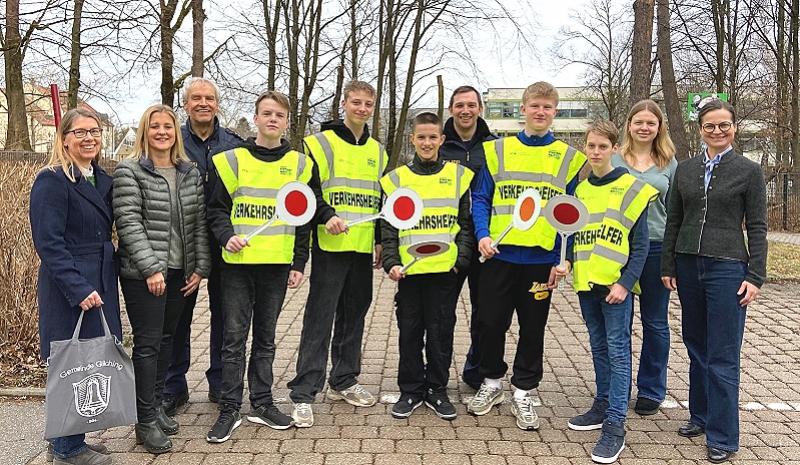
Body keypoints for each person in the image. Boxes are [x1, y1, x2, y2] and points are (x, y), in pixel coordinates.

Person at [468, 82, 586, 430]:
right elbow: (481, 200)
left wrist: (562, 258)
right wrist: (483, 235)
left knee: (533, 329)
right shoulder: (498, 151)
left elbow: (571, 212)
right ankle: (491, 383)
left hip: (539, 262)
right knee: (490, 323)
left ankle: (523, 390)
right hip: (500, 257)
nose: (540, 112)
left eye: (547, 107)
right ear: (523, 108)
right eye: (534, 105)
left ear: (555, 112)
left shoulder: (568, 158)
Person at [205, 91, 319, 442]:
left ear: (287, 122)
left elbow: (305, 218)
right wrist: (226, 237)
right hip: (238, 264)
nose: (272, 119)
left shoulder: (301, 165)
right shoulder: (230, 160)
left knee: (266, 339)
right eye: (266, 113)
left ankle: (263, 402)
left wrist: (300, 261)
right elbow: (215, 210)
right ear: (255, 119)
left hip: (277, 266)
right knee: (234, 338)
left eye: (279, 115)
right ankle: (229, 407)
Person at [661, 98, 767, 464]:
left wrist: (755, 275)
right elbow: (674, 219)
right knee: (696, 346)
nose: (717, 131)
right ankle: (700, 416)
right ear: (701, 129)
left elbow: (757, 226)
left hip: (728, 269)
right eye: (710, 126)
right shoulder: (685, 170)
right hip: (688, 266)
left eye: (724, 125)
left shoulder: (749, 171)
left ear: (734, 128)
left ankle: (723, 436)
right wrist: (668, 265)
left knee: (722, 355)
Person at [287, 80, 386, 428]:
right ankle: (303, 391)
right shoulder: (318, 143)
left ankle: (344, 380)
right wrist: (326, 216)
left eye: (367, 103)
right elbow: (309, 191)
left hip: (361, 246)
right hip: (330, 245)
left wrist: (378, 239)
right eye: (355, 102)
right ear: (343, 104)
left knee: (355, 315)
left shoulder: (378, 151)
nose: (361, 108)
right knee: (320, 317)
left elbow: (380, 198)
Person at [112, 105, 211, 454]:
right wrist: (151, 268)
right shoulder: (130, 171)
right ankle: (144, 421)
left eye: (167, 126)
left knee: (168, 340)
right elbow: (128, 223)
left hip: (180, 274)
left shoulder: (189, 172)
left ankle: (154, 408)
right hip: (144, 275)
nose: (162, 132)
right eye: (154, 126)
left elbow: (198, 223)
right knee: (149, 344)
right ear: (145, 131)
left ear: (176, 131)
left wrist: (200, 267)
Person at [30, 108, 119, 465]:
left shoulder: (100, 178)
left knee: (88, 363)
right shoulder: (51, 180)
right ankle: (67, 450)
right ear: (64, 138)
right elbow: (48, 242)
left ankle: (70, 441)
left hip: (100, 279)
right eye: (80, 132)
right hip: (70, 286)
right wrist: (78, 288)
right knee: (70, 363)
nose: (88, 138)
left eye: (94, 132)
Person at [566, 120, 656, 463]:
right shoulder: (581, 190)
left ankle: (615, 425)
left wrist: (624, 282)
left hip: (615, 287)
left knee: (619, 353)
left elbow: (641, 245)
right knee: (599, 347)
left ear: (615, 149)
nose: (596, 152)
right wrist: (569, 263)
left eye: (603, 146)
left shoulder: (632, 188)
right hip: (586, 284)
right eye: (591, 146)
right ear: (585, 148)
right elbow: (575, 235)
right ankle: (602, 405)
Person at [381, 112, 474, 420]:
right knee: (409, 333)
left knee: (440, 333)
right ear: (412, 139)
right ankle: (410, 391)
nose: (427, 142)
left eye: (432, 137)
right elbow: (389, 228)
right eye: (421, 137)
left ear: (441, 140)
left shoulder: (459, 177)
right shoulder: (396, 179)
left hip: (444, 274)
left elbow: (465, 224)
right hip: (408, 273)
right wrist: (391, 263)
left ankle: (437, 389)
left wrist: (460, 261)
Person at [163, 77, 243, 414]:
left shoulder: (236, 145)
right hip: (185, 242)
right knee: (178, 318)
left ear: (217, 104)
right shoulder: (171, 142)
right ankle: (173, 386)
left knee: (225, 317)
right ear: (186, 104)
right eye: (196, 98)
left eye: (209, 98)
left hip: (226, 241)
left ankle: (222, 382)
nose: (203, 103)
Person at [612, 100, 677, 416]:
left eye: (651, 123)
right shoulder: (613, 159)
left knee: (654, 322)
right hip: (618, 250)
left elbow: (676, 212)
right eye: (639, 121)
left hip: (655, 248)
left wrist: (673, 255)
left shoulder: (669, 163)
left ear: (658, 127)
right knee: (619, 324)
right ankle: (619, 388)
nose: (644, 127)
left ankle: (651, 389)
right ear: (629, 125)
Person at [437, 85, 497, 390]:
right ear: (451, 109)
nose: (465, 110)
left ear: (480, 109)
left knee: (484, 313)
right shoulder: (438, 145)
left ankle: (475, 370)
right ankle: (438, 374)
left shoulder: (494, 147)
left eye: (471, 105)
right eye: (459, 105)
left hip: (486, 242)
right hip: (449, 241)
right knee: (442, 311)